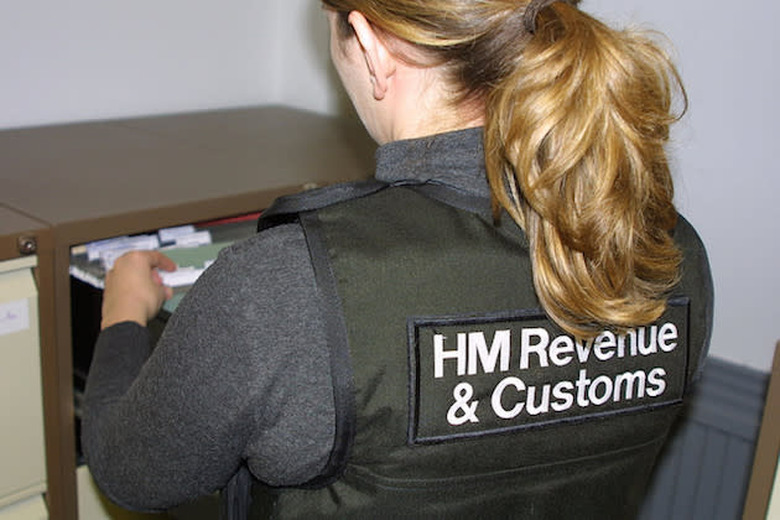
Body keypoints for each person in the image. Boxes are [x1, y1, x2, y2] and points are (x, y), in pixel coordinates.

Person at [83, 0, 713, 518]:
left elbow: (133, 473)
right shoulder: (668, 252)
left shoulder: (284, 285)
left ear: (372, 46)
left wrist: (123, 317)